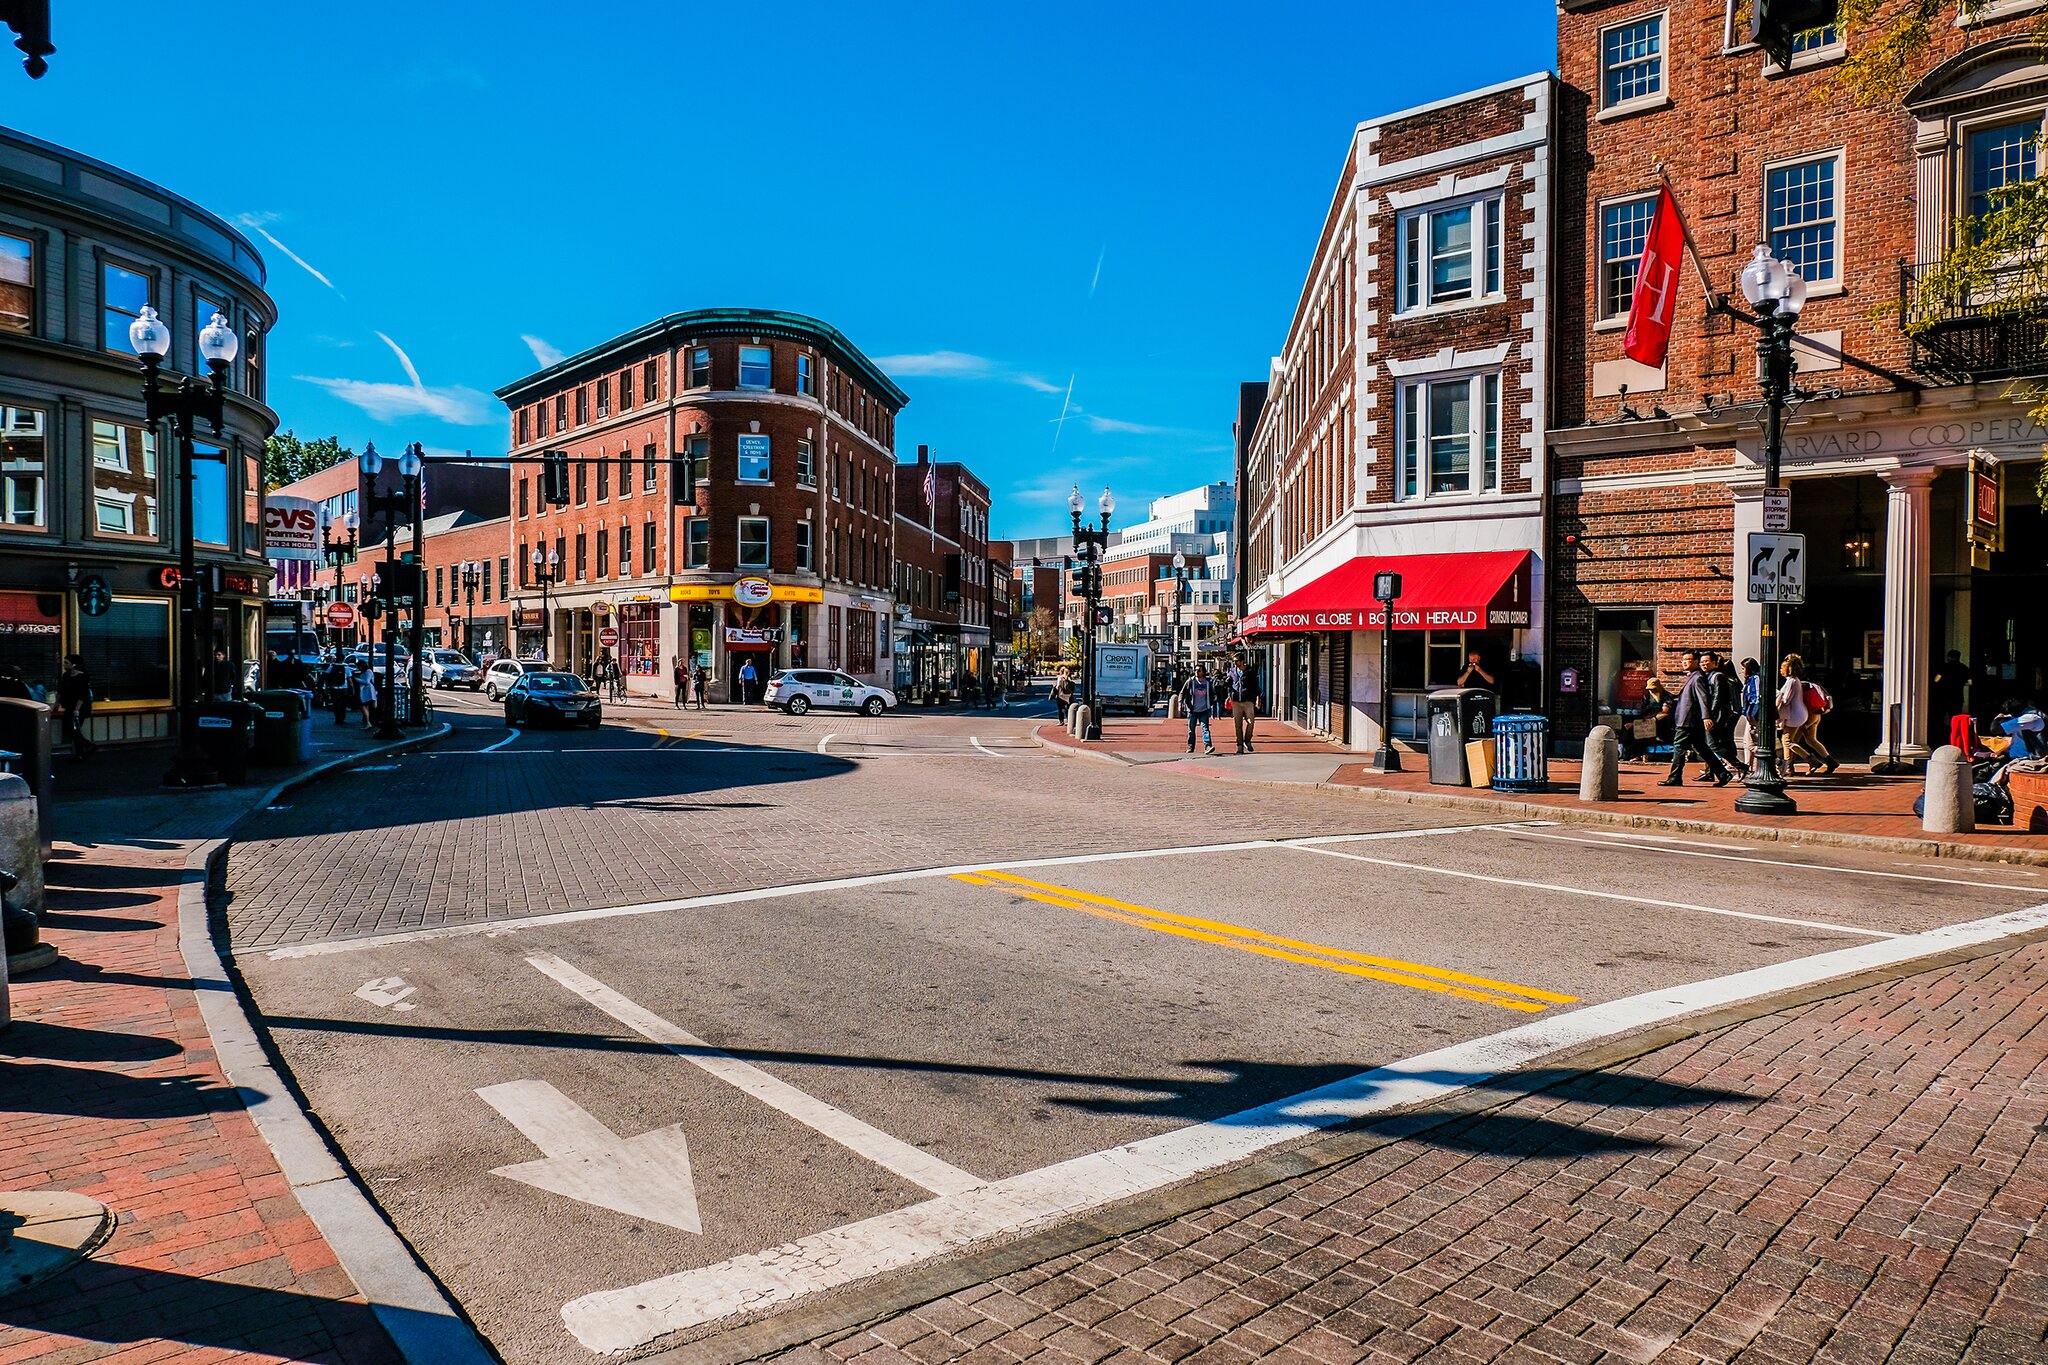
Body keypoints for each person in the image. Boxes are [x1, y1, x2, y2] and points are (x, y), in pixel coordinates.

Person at [1660, 651, 1731, 787]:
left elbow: (1703, 698)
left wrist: (1706, 716)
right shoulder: (1693, 676)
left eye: (1688, 659)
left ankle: (1675, 777)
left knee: (1678, 746)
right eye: (1683, 660)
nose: (1685, 662)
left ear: (1695, 661)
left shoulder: (1698, 677)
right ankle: (1723, 774)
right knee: (1702, 748)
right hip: (1689, 720)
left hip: (1688, 720)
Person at [1777, 654, 1835, 775]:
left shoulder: (1792, 681)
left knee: (1787, 741)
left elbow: (1786, 700)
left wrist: (1778, 694)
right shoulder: (1796, 681)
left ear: (1789, 668)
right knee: (1809, 740)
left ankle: (1807, 762)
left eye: (1783, 667)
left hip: (1796, 716)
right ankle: (1829, 761)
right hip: (1809, 714)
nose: (1780, 670)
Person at [1701, 650, 1747, 779]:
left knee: (1713, 744)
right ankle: (1712, 772)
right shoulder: (1712, 676)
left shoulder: (1719, 677)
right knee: (1711, 744)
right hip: (1721, 715)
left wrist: (1710, 715)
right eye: (1702, 662)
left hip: (1718, 716)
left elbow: (1717, 697)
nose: (1703, 664)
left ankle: (1739, 766)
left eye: (1706, 662)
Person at [56, 653, 97, 759]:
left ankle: (81, 752)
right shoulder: (66, 676)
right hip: (70, 706)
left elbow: (82, 695)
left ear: (73, 664)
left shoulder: (81, 677)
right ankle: (85, 748)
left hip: (79, 707)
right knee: (72, 729)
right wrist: (57, 703)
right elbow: (61, 691)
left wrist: (77, 709)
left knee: (73, 729)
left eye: (66, 663)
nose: (64, 665)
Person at [1624, 677, 1673, 761]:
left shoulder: (1666, 696)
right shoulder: (1646, 697)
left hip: (1661, 723)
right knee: (1630, 731)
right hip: (1646, 721)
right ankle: (1635, 754)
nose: (1652, 691)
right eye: (1650, 689)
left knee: (1645, 730)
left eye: (1653, 689)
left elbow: (1664, 712)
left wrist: (1653, 719)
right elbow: (1643, 711)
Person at [1180, 663, 1218, 755]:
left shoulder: (1208, 682)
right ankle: (1190, 747)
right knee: (1191, 730)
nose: (1197, 672)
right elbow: (1182, 692)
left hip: (1204, 710)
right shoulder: (1190, 681)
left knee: (1205, 729)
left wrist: (1211, 704)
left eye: (1199, 670)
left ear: (1203, 672)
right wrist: (1180, 703)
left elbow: (1213, 694)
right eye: (1196, 670)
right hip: (1192, 710)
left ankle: (1208, 746)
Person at [1228, 655, 1261, 754]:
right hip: (1236, 701)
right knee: (1238, 725)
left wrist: (1258, 698)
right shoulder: (1232, 671)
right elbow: (1229, 683)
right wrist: (1228, 695)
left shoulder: (1250, 672)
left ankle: (1247, 740)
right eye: (1234, 661)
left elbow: (1256, 686)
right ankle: (1239, 745)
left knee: (1251, 722)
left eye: (1237, 661)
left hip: (1248, 700)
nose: (1235, 663)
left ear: (1242, 661)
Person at [1736, 658, 1763, 769]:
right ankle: (1749, 767)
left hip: (1753, 715)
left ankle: (1777, 761)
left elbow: (1757, 697)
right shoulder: (1750, 679)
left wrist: (1753, 714)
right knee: (1748, 743)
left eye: (1744, 668)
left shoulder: (1755, 678)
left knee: (1751, 744)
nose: (1742, 671)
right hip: (1750, 714)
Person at [356, 660, 380, 730]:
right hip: (368, 691)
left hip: (368, 691)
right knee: (367, 706)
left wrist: (357, 679)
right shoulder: (367, 671)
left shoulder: (368, 672)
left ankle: (368, 722)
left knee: (364, 706)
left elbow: (367, 681)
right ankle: (368, 721)